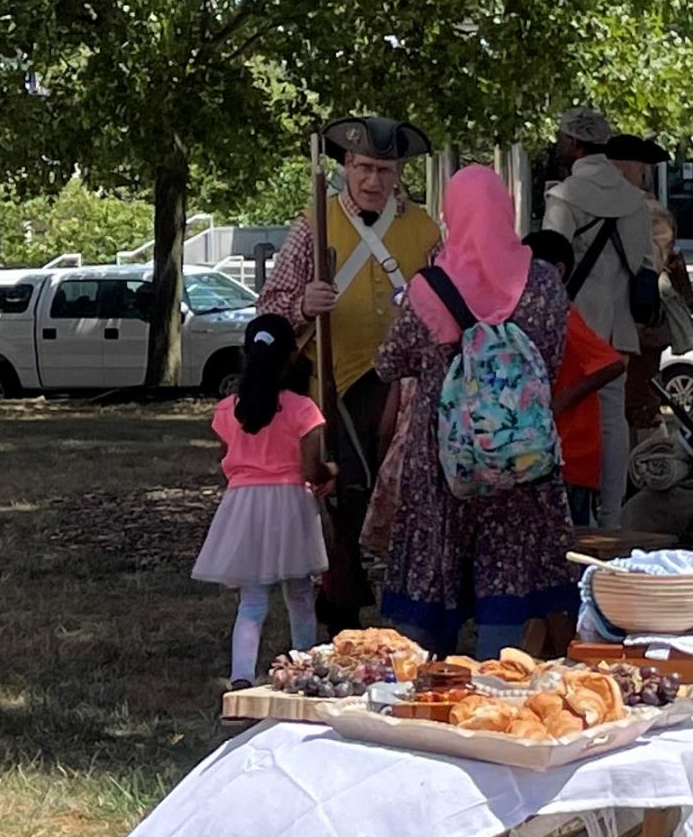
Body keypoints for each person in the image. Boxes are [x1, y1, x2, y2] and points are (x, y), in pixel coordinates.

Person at [375, 165, 574, 657]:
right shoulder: (544, 282)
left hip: (442, 457)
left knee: (435, 570)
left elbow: (389, 364)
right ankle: (497, 680)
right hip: (519, 453)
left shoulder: (428, 289)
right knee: (507, 576)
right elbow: (553, 356)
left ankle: (423, 685)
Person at [259, 114, 438, 629]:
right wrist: (303, 305)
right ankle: (339, 605)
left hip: (403, 382)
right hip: (333, 381)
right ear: (346, 166)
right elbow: (269, 307)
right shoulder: (313, 224)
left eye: (384, 169)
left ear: (399, 171)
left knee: (406, 493)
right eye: (363, 167)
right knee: (344, 491)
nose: (372, 180)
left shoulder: (424, 230)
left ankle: (408, 606)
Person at [193, 314, 332, 687]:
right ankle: (305, 671)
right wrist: (330, 473)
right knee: (300, 592)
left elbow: (227, 460)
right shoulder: (303, 409)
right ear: (292, 356)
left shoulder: (227, 410)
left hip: (243, 504)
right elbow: (310, 468)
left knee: (252, 600)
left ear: (245, 353)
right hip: (290, 504)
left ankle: (241, 677)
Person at [543, 129, 667, 532]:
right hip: (618, 326)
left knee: (562, 414)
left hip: (573, 324)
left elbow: (552, 265)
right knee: (613, 423)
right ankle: (610, 519)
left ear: (576, 144)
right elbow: (646, 267)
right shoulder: (635, 201)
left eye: (562, 138)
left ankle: (565, 515)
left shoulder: (563, 196)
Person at [525, 229, 628, 528]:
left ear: (557, 272)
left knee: (572, 541)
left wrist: (560, 403)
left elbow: (611, 364)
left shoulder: (563, 315)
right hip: (546, 452)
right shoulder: (539, 314)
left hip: (571, 453)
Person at [627, 198, 693, 434]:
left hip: (644, 331)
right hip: (648, 331)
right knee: (642, 394)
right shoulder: (663, 264)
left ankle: (647, 445)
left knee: (639, 395)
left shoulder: (651, 269)